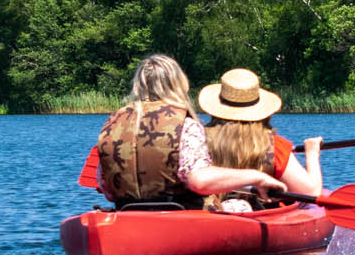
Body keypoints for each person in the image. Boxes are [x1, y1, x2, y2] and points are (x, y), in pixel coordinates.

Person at [94, 54, 286, 209]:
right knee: (237, 205)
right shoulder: (185, 125)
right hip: (181, 215)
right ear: (178, 84)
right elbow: (199, 181)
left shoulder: (112, 124)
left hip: (126, 212)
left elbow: (106, 189)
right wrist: (258, 177)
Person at [198, 67, 323, 212]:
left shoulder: (195, 139)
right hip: (258, 215)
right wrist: (312, 153)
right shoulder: (275, 146)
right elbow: (312, 193)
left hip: (208, 213)